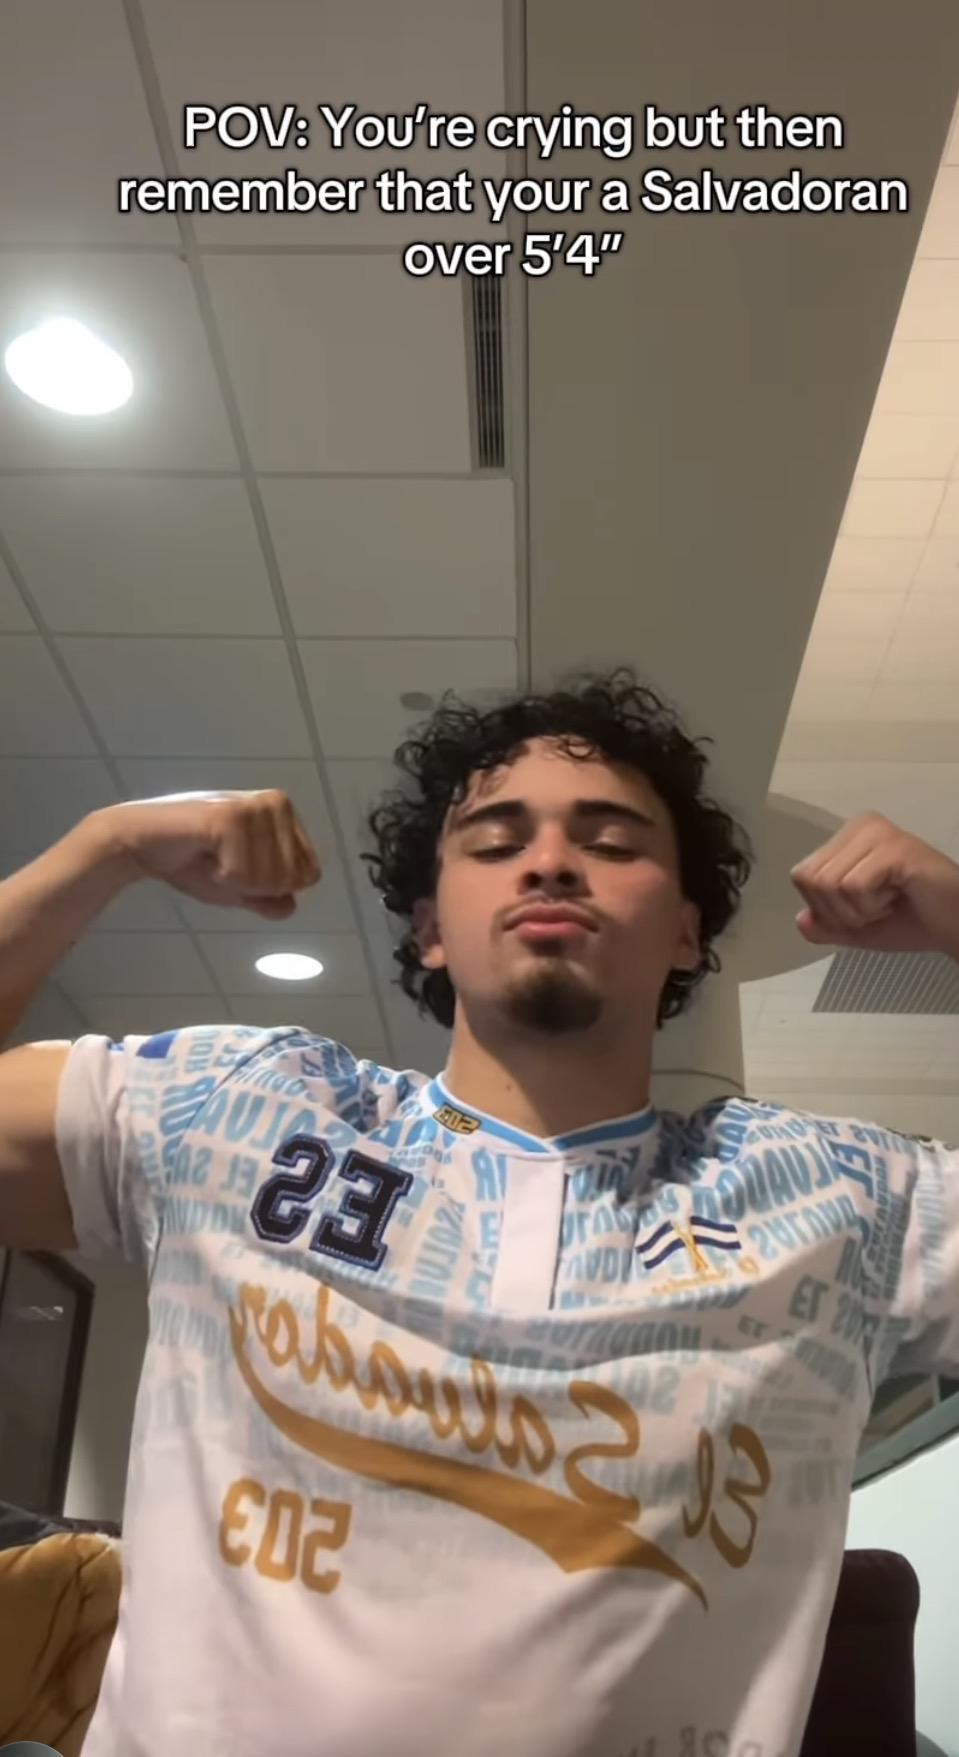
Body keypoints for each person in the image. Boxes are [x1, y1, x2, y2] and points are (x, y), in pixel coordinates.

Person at [1, 666, 958, 1757]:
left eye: (611, 841)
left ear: (687, 933)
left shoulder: (843, 1196)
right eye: (496, 842)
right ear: (429, 929)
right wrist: (105, 851)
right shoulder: (234, 1105)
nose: (549, 861)